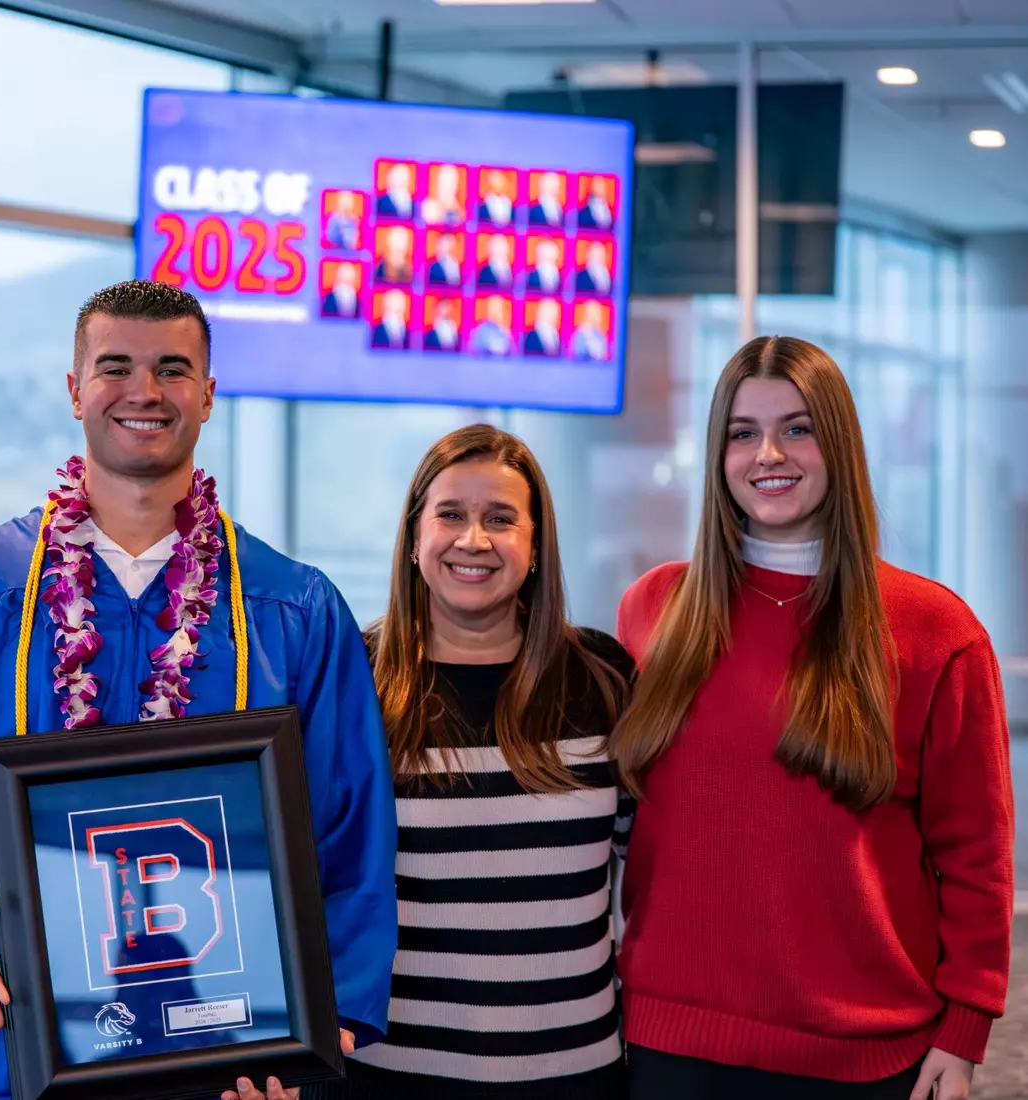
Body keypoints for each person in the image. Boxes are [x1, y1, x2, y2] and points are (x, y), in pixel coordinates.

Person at [0, 281, 398, 1100]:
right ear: (74, 389)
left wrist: (318, 1031)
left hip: (231, 1048)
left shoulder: (292, 608)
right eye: (115, 367)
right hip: (23, 1035)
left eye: (173, 369)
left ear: (209, 395)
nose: (144, 391)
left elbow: (352, 830)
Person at [612, 337, 1014, 1100]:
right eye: (742, 432)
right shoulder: (654, 609)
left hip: (866, 1055)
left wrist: (964, 1034)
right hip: (669, 1043)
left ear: (840, 445)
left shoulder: (933, 630)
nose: (769, 453)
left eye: (798, 428)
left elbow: (976, 857)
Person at [306, 424, 634, 1100]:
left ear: (536, 546)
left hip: (575, 1077)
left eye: (501, 519)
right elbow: (310, 884)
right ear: (414, 536)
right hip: (387, 1079)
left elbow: (642, 874)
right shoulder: (352, 682)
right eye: (450, 515)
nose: (473, 540)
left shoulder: (603, 680)